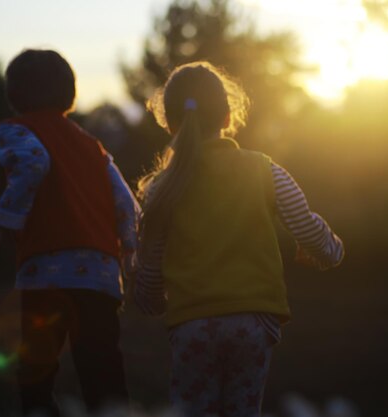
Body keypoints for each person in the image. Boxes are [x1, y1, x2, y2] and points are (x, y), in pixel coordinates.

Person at [133, 61, 344, 417]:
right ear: (228, 115)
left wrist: (151, 300)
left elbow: (150, 264)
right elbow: (306, 227)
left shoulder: (162, 188)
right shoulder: (264, 169)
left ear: (169, 123)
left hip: (192, 324)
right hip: (253, 322)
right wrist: (332, 252)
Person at [0, 49, 137, 416]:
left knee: (36, 373)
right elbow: (126, 203)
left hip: (46, 273)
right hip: (100, 275)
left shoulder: (14, 130)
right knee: (104, 374)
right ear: (70, 93)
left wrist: (0, 224)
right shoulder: (94, 147)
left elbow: (33, 163)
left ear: (13, 93)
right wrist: (129, 251)